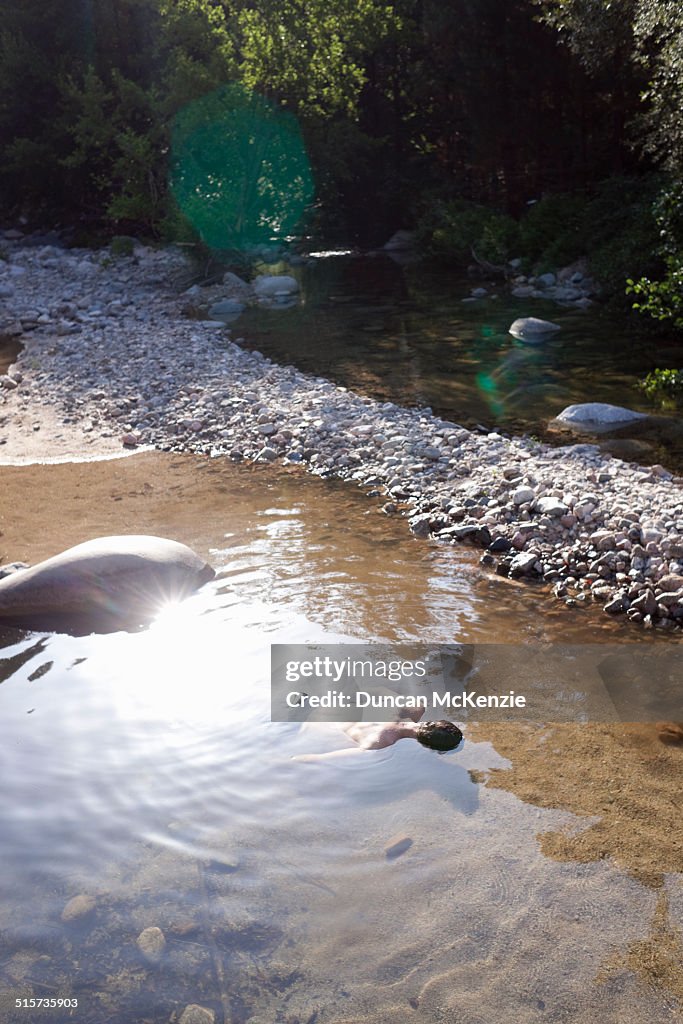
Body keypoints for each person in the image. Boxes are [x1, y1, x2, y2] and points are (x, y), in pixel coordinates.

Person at [294, 718, 463, 762]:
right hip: (315, 726)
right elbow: (321, 759)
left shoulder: (412, 706)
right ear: (425, 746)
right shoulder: (380, 743)